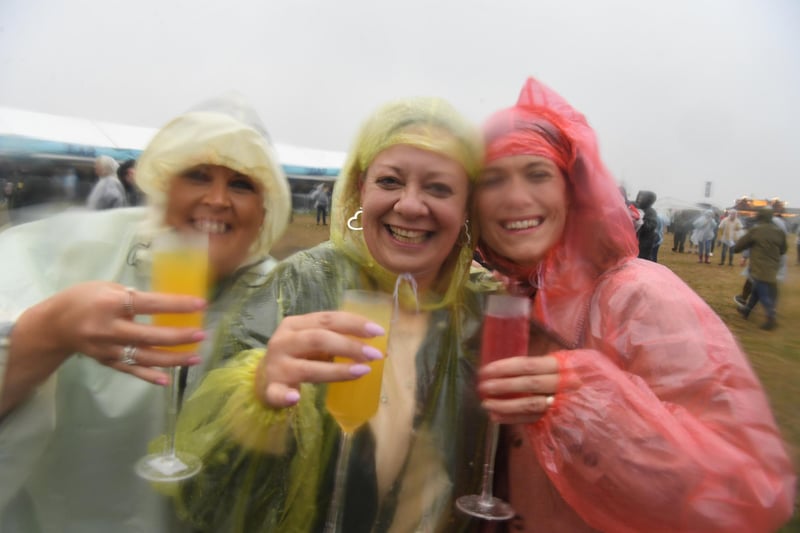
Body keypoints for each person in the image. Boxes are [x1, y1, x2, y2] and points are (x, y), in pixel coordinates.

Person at [471, 77, 795, 532]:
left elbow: (746, 496)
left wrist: (579, 400)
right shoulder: (511, 297)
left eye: (538, 174)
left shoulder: (639, 295)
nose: (516, 198)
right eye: (492, 180)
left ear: (572, 189)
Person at [168, 97, 491, 532]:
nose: (411, 205)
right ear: (360, 189)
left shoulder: (484, 310)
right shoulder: (300, 285)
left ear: (467, 207)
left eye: (438, 188)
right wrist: (259, 396)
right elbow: (211, 483)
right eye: (391, 181)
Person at [0, 95, 291, 532]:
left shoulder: (286, 297)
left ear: (267, 205)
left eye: (242, 184)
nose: (217, 199)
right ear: (165, 182)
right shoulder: (78, 251)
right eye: (197, 175)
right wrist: (47, 331)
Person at [733, 207, 788, 330]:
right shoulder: (779, 231)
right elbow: (784, 249)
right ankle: (746, 311)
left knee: (763, 293)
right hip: (773, 267)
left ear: (760, 217)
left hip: (759, 267)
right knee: (757, 291)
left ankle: (771, 318)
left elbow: (741, 244)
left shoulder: (756, 230)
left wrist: (736, 249)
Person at [634, 189, 658, 261]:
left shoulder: (651, 212)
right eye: (639, 197)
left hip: (644, 242)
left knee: (642, 261)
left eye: (642, 198)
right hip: (635, 241)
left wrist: (639, 220)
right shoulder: (636, 208)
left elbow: (650, 226)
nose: (639, 199)